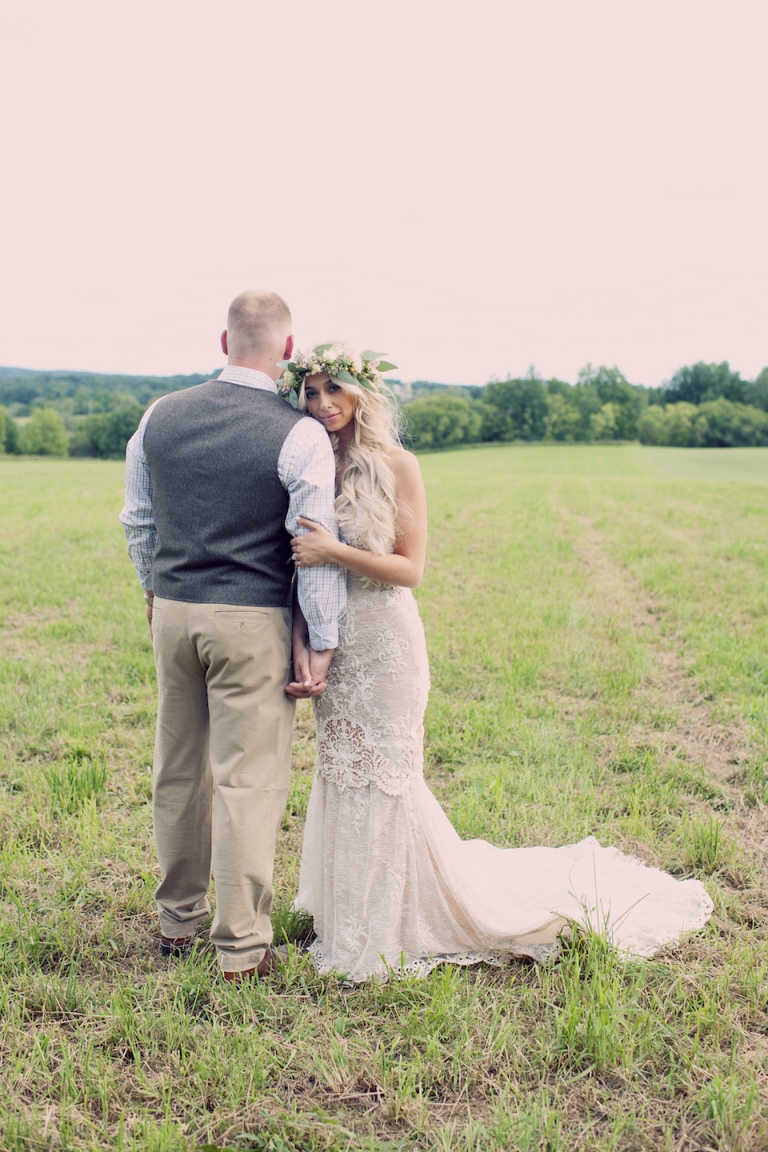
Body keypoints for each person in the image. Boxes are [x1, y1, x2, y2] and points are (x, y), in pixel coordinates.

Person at [283, 343, 714, 982]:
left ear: (361, 395)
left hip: (388, 646)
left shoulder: (397, 465)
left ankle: (387, 924)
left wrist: (334, 554)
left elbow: (411, 569)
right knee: (342, 771)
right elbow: (297, 571)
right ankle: (349, 913)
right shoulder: (311, 465)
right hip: (335, 646)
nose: (322, 405)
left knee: (384, 774)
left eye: (333, 392)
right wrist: (307, 649)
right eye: (310, 394)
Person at [119, 291, 345, 982]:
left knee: (177, 770)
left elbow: (138, 519)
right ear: (286, 349)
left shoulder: (159, 416)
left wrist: (155, 589)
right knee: (248, 781)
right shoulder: (298, 433)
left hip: (176, 612)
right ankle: (242, 946)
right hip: (252, 622)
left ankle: (176, 922)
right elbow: (311, 543)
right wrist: (324, 638)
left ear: (224, 343)